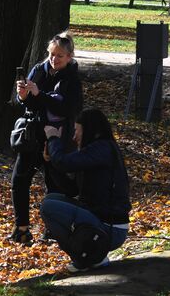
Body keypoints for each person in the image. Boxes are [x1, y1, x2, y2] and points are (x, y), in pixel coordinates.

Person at [10, 31, 83, 243]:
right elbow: (31, 104)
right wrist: (23, 96)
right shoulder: (38, 70)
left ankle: (53, 230)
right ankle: (22, 229)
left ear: (69, 57)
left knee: (55, 186)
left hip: (57, 139)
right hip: (33, 136)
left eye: (60, 56)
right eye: (52, 54)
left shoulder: (72, 78)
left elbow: (69, 109)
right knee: (19, 181)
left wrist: (39, 95)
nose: (54, 59)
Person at [41, 108, 131, 272]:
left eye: (77, 131)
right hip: (101, 220)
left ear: (89, 129)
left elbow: (64, 162)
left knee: (48, 207)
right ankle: (91, 254)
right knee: (51, 199)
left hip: (111, 228)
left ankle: (87, 257)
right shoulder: (96, 151)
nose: (74, 137)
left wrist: (53, 137)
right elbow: (70, 188)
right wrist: (49, 162)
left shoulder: (102, 149)